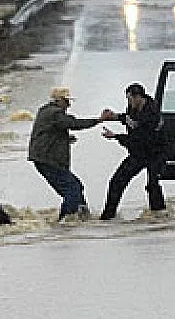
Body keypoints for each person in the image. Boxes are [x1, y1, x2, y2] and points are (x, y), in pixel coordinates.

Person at [28, 86, 111, 221]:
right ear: (59, 100)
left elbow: (50, 132)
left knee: (75, 187)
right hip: (48, 160)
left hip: (44, 159)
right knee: (72, 189)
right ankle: (65, 222)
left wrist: (65, 139)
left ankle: (82, 217)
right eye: (67, 101)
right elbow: (74, 124)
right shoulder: (55, 113)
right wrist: (99, 120)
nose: (69, 104)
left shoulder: (45, 111)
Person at [99, 83, 166, 220]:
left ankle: (159, 216)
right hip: (139, 153)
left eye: (130, 98)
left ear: (138, 97)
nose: (128, 102)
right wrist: (115, 116)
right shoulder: (133, 107)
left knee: (152, 184)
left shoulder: (152, 112)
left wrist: (116, 136)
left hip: (154, 152)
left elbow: (139, 136)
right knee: (117, 181)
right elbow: (130, 121)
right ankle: (107, 216)